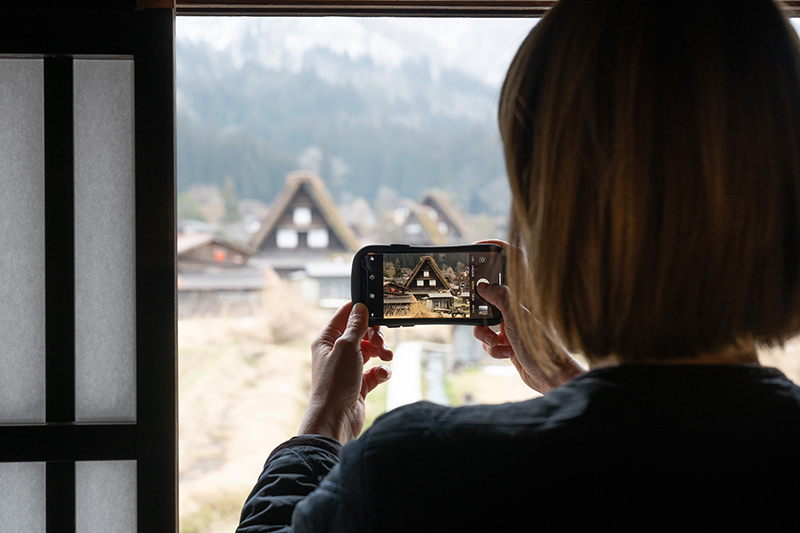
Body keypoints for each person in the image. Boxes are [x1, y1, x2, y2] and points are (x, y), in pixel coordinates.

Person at [238, 0, 800, 530]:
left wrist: (321, 425)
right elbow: (674, 458)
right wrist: (569, 382)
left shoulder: (416, 473)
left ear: (556, 215)